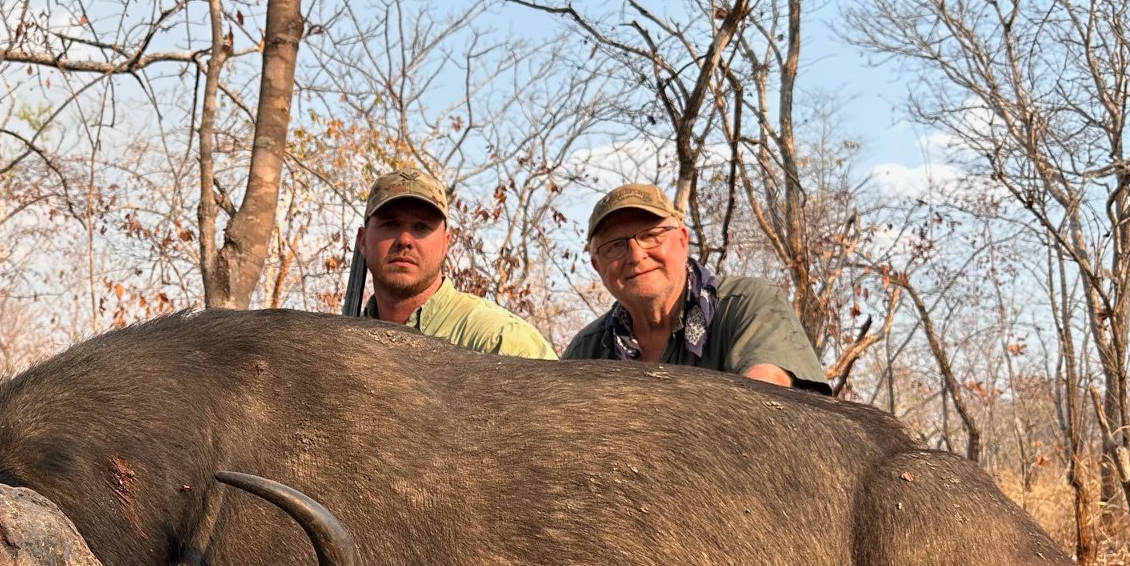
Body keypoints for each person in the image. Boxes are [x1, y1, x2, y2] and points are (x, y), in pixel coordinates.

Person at [563, 183, 830, 392]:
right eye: (615, 246)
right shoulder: (585, 352)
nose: (635, 255)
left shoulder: (749, 303)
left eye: (651, 236)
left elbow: (762, 400)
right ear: (598, 266)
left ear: (682, 240)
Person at [354, 169, 557, 359]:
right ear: (362, 240)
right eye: (390, 224)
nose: (405, 240)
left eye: (421, 227)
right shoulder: (344, 343)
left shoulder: (500, 341)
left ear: (445, 243)